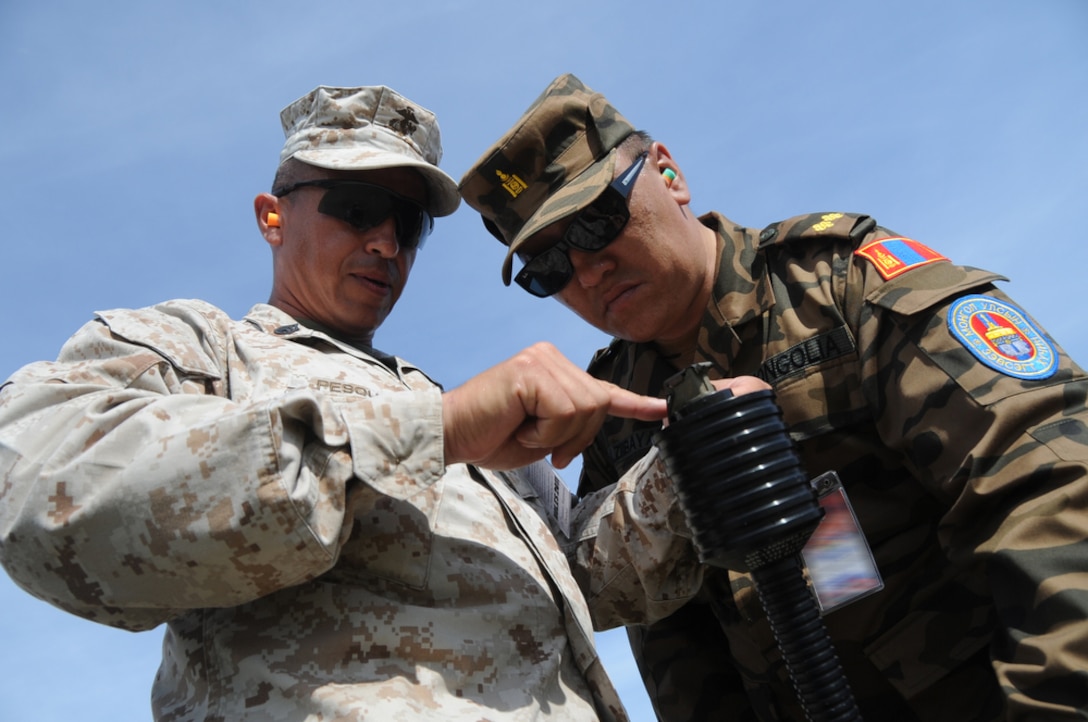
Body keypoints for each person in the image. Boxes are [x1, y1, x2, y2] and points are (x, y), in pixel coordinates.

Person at [0, 84, 715, 721]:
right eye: (358, 208)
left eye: (408, 226)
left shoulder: (449, 409)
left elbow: (586, 578)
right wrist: (434, 431)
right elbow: (43, 491)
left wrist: (698, 461)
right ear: (272, 217)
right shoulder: (200, 348)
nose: (385, 242)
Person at [459, 73, 1088, 721]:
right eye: (549, 268)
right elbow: (681, 661)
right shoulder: (616, 422)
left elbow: (1051, 488)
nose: (587, 270)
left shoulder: (842, 290)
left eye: (596, 221)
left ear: (668, 175)